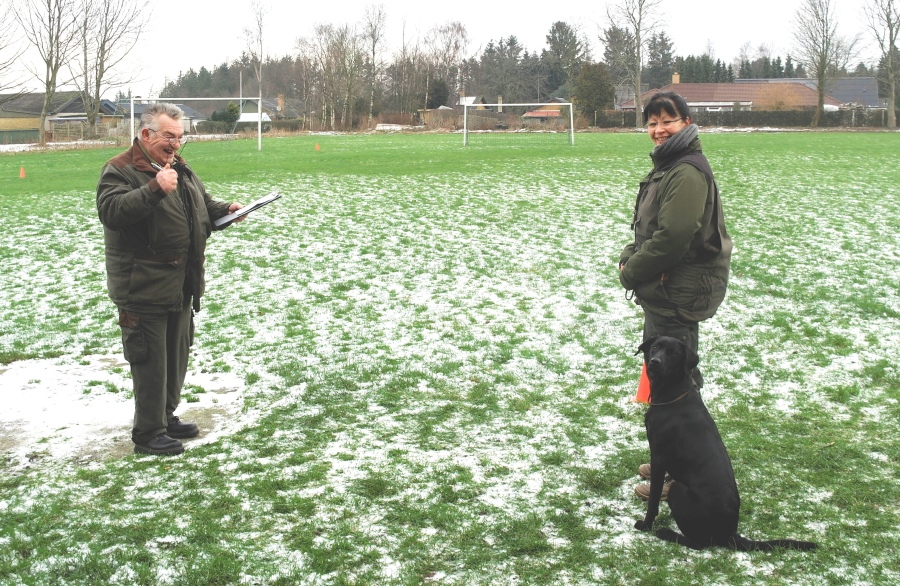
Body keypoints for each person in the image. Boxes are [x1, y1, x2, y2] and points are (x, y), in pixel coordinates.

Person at [97, 103, 245, 455]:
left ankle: (164, 418)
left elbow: (201, 205)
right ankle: (148, 434)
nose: (176, 145)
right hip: (142, 286)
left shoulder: (178, 167)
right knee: (150, 360)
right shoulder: (119, 170)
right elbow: (111, 212)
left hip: (180, 283)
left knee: (176, 356)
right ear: (145, 134)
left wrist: (227, 210)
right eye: (169, 137)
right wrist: (154, 190)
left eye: (180, 138)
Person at [618, 92, 732, 499]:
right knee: (669, 381)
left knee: (678, 384)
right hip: (665, 286)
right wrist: (629, 254)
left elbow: (673, 238)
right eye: (651, 123)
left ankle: (683, 474)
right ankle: (672, 458)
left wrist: (631, 272)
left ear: (686, 122)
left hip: (676, 290)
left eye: (667, 120)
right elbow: (648, 231)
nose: (658, 130)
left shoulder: (685, 171)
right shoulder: (669, 167)